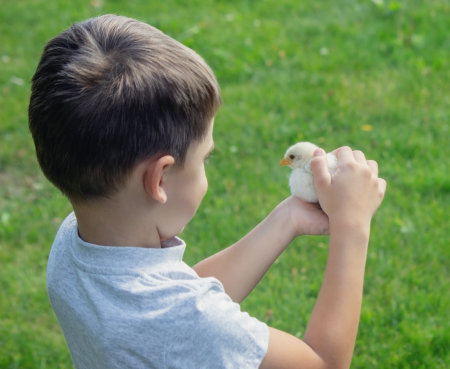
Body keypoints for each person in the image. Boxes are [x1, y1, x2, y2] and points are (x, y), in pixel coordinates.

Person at [29, 14, 386, 369]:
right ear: (160, 179)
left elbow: (181, 293)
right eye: (205, 158)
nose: (207, 166)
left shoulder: (71, 247)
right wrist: (352, 225)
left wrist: (289, 217)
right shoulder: (191, 323)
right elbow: (324, 363)